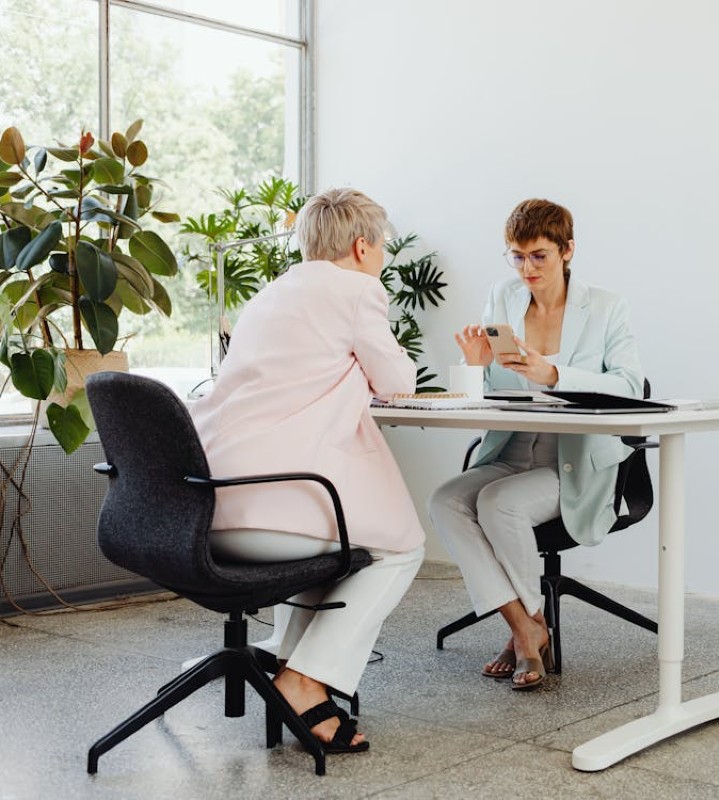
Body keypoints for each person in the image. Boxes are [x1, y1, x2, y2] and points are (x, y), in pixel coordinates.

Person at [191, 187, 425, 753]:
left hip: (208, 504)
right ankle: (303, 681)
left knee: (341, 546)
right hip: (275, 507)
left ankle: (292, 664)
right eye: (384, 244)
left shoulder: (271, 294)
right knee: (402, 548)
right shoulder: (358, 291)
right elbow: (398, 382)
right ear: (364, 246)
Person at [428, 198, 644, 690]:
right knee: (444, 499)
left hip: (575, 461)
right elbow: (490, 393)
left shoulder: (606, 307)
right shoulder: (503, 297)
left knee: (498, 503)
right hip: (511, 450)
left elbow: (631, 384)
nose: (527, 268)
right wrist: (475, 367)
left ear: (567, 251)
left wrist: (554, 373)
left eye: (539, 256)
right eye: (517, 256)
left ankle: (523, 634)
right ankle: (527, 625)